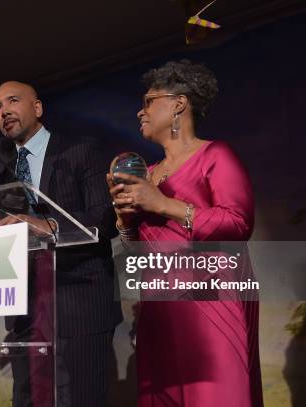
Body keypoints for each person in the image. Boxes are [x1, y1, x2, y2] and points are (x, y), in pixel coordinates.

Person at [0, 70, 121, 406]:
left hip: (78, 300)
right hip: (25, 305)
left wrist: (48, 227)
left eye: (13, 101)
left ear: (38, 108)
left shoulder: (80, 151)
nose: (4, 111)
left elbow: (104, 219)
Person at [108, 60, 263, 406]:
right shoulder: (147, 173)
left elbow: (238, 223)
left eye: (148, 102)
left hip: (209, 309)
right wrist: (125, 220)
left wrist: (163, 204)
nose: (139, 112)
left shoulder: (215, 155)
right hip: (158, 313)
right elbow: (137, 253)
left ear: (179, 104)